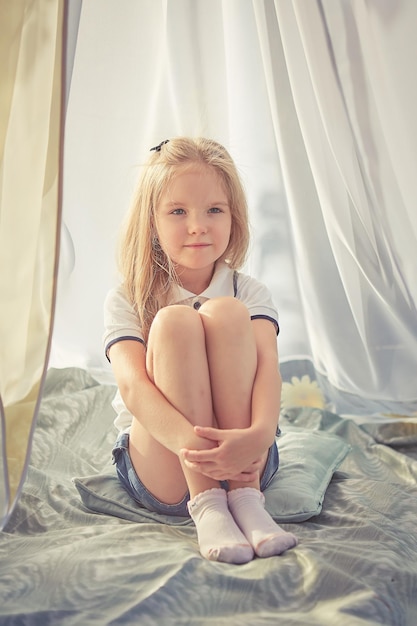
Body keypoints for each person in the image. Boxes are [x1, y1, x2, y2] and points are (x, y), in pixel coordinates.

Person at [104, 137, 298, 564]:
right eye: (178, 212)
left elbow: (268, 368)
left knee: (227, 313)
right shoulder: (129, 297)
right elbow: (134, 388)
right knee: (173, 321)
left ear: (234, 217)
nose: (198, 225)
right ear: (152, 223)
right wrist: (200, 450)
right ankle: (208, 507)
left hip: (246, 463)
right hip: (167, 463)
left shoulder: (248, 291)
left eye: (214, 210)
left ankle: (247, 502)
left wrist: (260, 435)